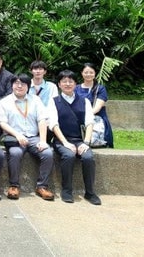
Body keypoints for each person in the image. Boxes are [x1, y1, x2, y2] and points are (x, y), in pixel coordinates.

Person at [0, 73, 55, 201]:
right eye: (16, 83)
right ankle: (14, 185)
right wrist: (17, 135)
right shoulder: (5, 102)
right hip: (14, 137)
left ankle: (42, 186)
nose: (19, 86)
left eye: (23, 84)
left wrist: (43, 141)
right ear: (12, 85)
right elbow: (2, 123)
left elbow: (42, 120)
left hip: (33, 137)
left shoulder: (36, 100)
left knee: (47, 153)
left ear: (28, 86)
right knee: (15, 153)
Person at [49, 70, 102, 205]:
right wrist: (65, 143)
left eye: (70, 81)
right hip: (61, 141)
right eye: (64, 81)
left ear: (75, 84)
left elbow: (89, 123)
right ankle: (67, 191)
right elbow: (53, 124)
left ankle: (90, 192)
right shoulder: (54, 102)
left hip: (80, 140)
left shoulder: (84, 101)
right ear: (59, 84)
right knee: (69, 156)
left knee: (88, 157)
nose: (67, 84)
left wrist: (86, 142)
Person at [74, 63, 114, 148]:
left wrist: (86, 116)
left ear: (95, 73)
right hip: (78, 116)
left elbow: (97, 108)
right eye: (86, 72)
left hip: (96, 117)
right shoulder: (76, 88)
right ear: (82, 73)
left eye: (91, 72)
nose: (88, 74)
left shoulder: (100, 88)